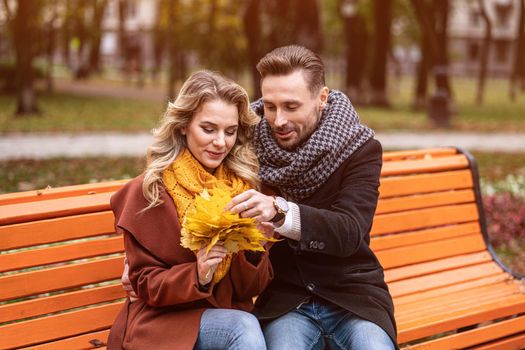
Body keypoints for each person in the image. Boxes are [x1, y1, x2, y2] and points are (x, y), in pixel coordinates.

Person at [225, 45, 398, 349]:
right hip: (286, 300)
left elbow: (349, 231)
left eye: (291, 106)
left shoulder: (358, 148)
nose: (278, 121)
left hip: (353, 297)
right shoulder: (246, 144)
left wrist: (280, 213)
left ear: (322, 99)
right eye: (270, 106)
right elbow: (195, 150)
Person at [107, 70, 273, 350]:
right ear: (184, 125)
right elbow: (144, 284)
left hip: (227, 316)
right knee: (242, 327)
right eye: (208, 129)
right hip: (163, 323)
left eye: (230, 132)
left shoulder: (242, 189)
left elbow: (250, 290)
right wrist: (198, 273)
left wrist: (256, 245)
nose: (221, 142)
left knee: (251, 326)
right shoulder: (150, 191)